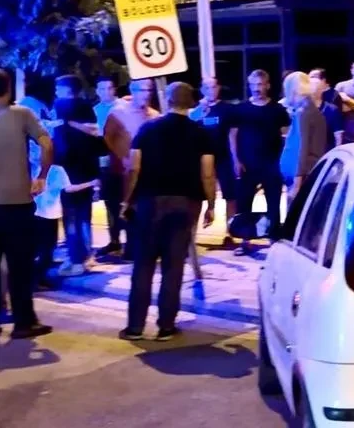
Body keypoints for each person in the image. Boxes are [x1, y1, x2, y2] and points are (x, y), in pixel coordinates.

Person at [119, 82, 216, 341]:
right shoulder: (201, 133)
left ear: (168, 100)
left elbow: (134, 168)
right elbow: (207, 174)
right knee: (174, 267)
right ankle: (166, 326)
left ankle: (135, 327)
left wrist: (127, 201)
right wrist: (210, 205)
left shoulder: (148, 129)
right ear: (191, 102)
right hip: (186, 203)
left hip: (150, 202)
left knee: (144, 264)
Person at [0, 68, 55, 339]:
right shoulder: (22, 114)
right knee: (20, 266)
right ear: (8, 88)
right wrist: (42, 176)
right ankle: (24, 322)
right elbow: (47, 144)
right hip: (17, 204)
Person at [229, 69, 290, 253]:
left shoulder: (277, 110)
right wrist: (236, 160)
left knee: (273, 203)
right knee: (244, 204)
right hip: (247, 165)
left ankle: (274, 241)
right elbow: (232, 135)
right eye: (253, 84)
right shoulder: (241, 109)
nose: (256, 88)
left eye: (260, 84)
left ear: (267, 85)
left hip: (272, 164)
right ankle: (245, 241)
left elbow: (286, 135)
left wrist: (283, 161)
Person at [51, 77, 103, 277]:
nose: (56, 91)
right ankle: (87, 257)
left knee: (71, 218)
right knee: (84, 216)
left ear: (66, 89)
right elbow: (95, 134)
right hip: (88, 168)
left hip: (68, 168)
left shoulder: (60, 107)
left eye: (58, 88)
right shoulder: (87, 107)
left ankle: (76, 260)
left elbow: (58, 139)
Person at [102, 79, 159, 260]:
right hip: (120, 172)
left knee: (140, 210)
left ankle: (137, 250)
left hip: (144, 172)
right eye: (142, 90)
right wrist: (122, 157)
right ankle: (120, 244)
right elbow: (107, 138)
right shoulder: (118, 112)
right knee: (120, 209)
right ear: (133, 91)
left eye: (149, 90)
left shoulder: (154, 116)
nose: (146, 94)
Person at [191, 77, 237, 249]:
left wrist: (236, 159)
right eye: (207, 87)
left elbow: (233, 135)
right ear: (202, 89)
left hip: (223, 157)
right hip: (202, 159)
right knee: (198, 196)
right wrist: (199, 110)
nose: (211, 90)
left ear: (218, 88)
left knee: (230, 196)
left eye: (214, 86)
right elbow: (189, 126)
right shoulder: (197, 110)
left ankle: (230, 233)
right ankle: (191, 235)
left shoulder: (227, 109)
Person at [279, 72, 327, 198]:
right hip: (303, 174)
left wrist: (297, 183)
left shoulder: (304, 112)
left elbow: (302, 147)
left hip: (303, 176)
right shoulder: (307, 109)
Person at [30, 143, 67, 287]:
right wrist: (91, 183)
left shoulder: (31, 169)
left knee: (36, 248)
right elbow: (69, 188)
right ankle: (39, 278)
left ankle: (35, 278)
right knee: (48, 248)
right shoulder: (58, 170)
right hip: (49, 215)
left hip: (35, 213)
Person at [308, 68, 345, 150]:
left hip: (326, 151)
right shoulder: (302, 109)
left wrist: (336, 151)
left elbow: (338, 135)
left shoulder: (332, 109)